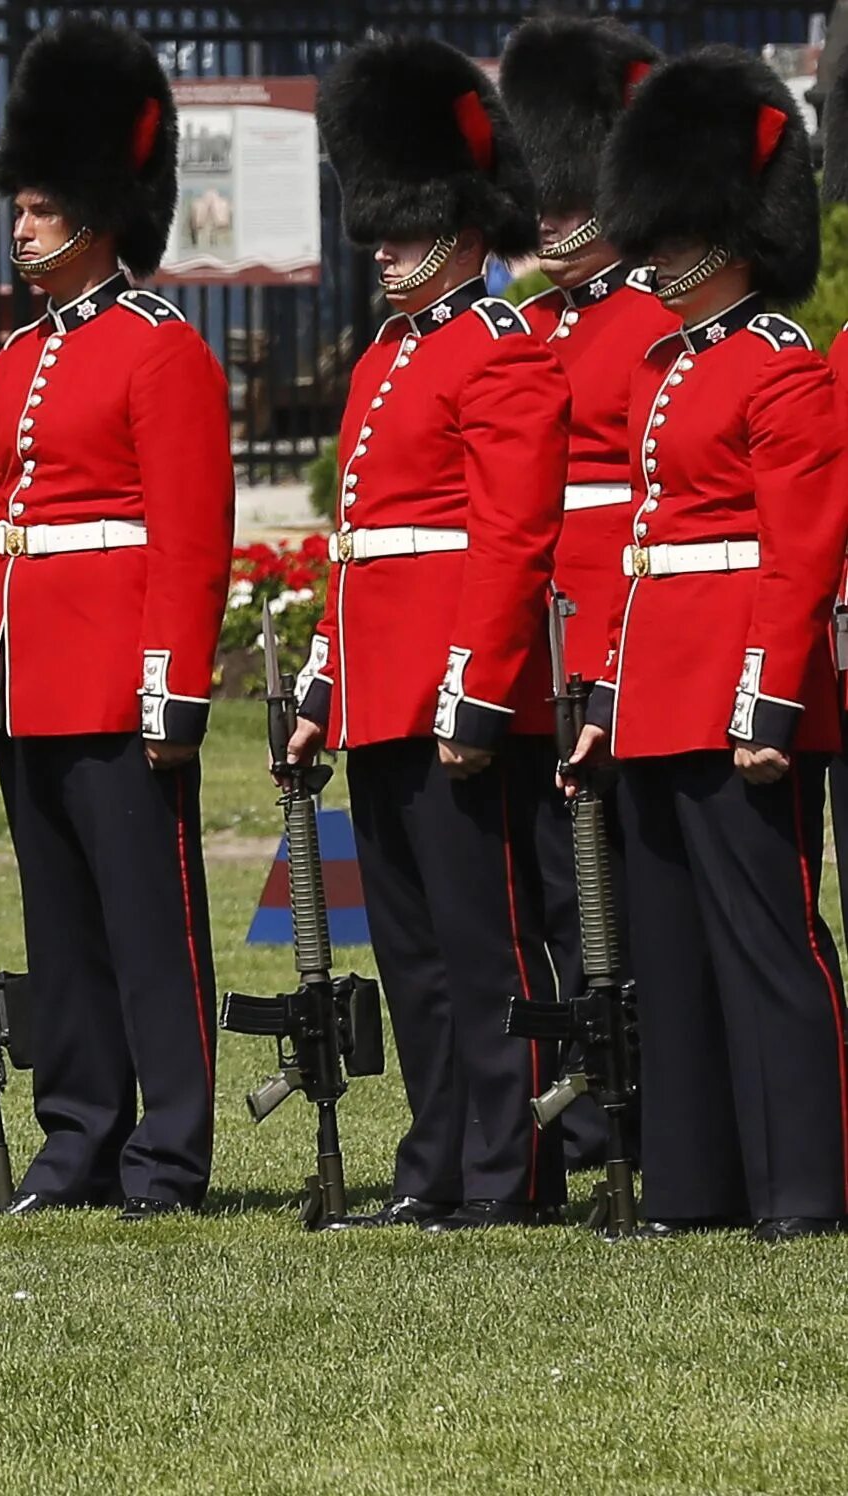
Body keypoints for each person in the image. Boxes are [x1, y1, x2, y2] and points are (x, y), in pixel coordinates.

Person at [0, 16, 231, 1220]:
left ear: (100, 215)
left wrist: (171, 688)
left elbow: (188, 538)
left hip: (115, 677)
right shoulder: (19, 357)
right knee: (58, 932)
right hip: (32, 681)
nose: (20, 227)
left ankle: (168, 1149)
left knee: (148, 926)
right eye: (18, 207)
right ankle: (78, 1139)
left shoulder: (161, 350)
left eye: (43, 207)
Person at [573, 48, 848, 1242]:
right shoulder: (664, 365)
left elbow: (798, 555)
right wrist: (607, 694)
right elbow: (641, 547)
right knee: (672, 950)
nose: (656, 252)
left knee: (765, 940)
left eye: (676, 231)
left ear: (729, 232)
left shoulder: (775, 363)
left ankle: (803, 1188)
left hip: (739, 685)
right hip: (657, 685)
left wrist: (767, 701)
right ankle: (693, 1187)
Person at [298, 36, 570, 1230]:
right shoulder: (383, 357)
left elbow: (510, 539)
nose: (381, 245)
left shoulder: (498, 347)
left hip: (456, 695)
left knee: (482, 942)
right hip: (380, 691)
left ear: (460, 226)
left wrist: (474, 692)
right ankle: (435, 1164)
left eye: (402, 225)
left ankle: (509, 1170)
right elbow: (355, 539)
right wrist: (324, 681)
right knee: (409, 950)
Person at [498, 14, 672, 1176]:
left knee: (626, 899)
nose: (552, 218)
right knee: (551, 899)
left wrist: (608, 663)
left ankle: (648, 1118)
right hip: (528, 651)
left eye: (571, 198)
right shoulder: (522, 327)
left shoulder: (656, 321)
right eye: (543, 199)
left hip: (618, 644)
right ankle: (576, 1117)